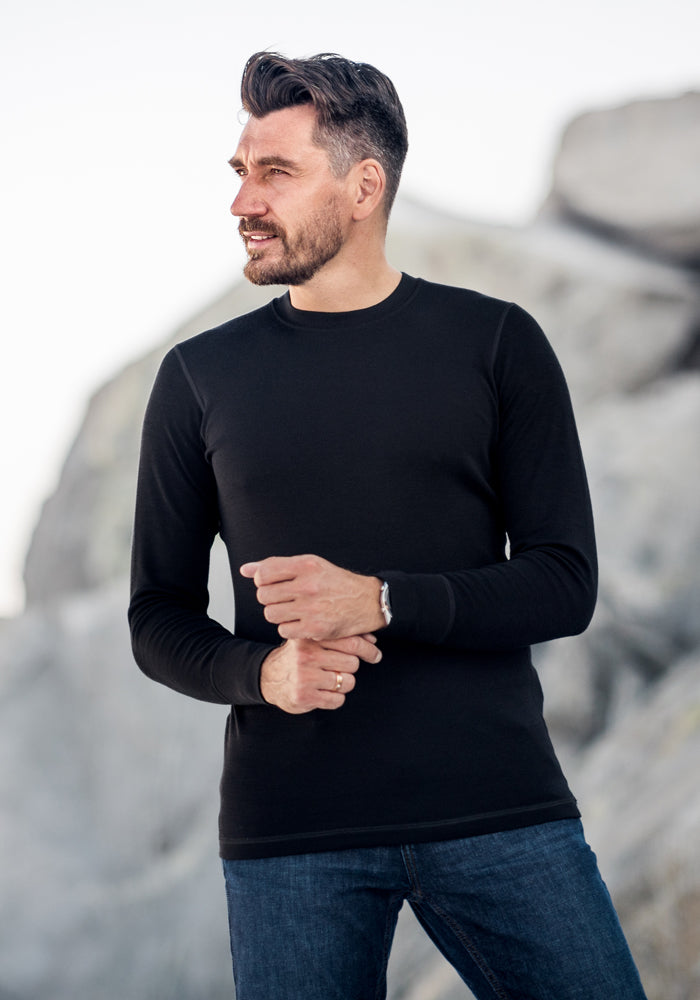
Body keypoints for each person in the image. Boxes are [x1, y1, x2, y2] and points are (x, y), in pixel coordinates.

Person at [128, 51, 648, 1000]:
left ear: (364, 186)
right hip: (291, 839)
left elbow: (564, 582)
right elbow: (156, 615)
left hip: (500, 814)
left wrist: (376, 600)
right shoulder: (201, 377)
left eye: (274, 171)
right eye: (239, 171)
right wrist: (265, 673)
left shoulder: (496, 343)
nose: (243, 199)